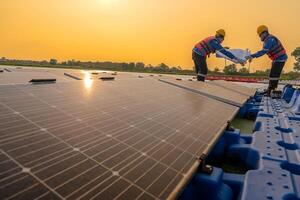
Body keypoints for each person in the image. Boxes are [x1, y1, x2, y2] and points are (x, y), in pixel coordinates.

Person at [247, 25, 288, 96]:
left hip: (280, 59)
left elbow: (263, 51)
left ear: (264, 33)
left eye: (260, 35)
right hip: (276, 59)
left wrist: (252, 56)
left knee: (274, 75)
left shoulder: (270, 40)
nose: (260, 37)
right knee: (272, 75)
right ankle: (270, 89)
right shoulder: (268, 40)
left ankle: (271, 90)